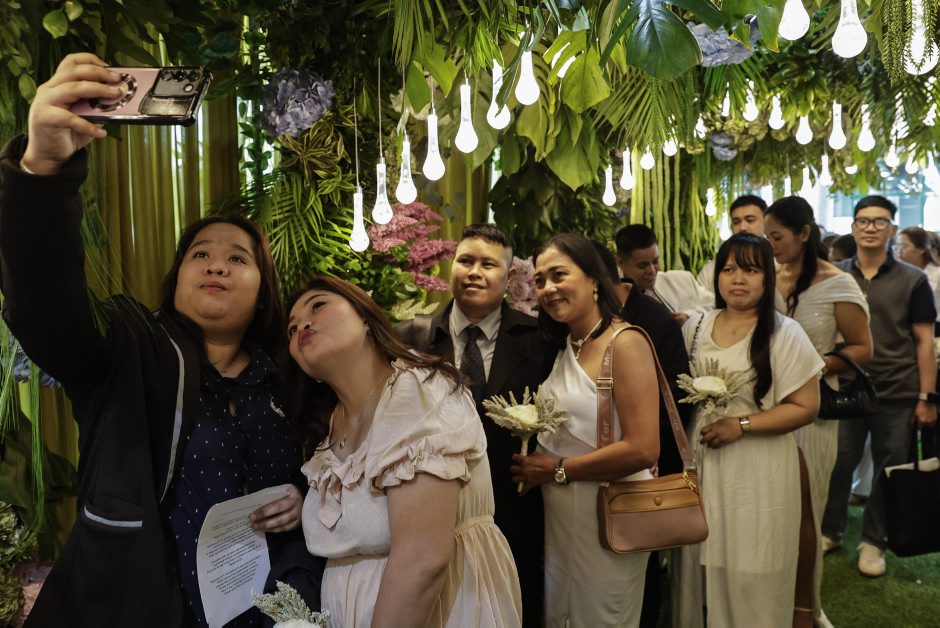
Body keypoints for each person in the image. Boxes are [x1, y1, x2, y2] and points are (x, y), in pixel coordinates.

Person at [0, 53, 321, 626]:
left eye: (237, 258)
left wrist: (305, 501)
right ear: (176, 283)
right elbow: (47, 306)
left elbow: (334, 477)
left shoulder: (288, 380)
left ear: (263, 292)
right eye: (200, 254)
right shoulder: (127, 348)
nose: (216, 265)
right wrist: (44, 171)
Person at [287, 276, 522, 627]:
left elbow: (423, 560)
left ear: (365, 318)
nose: (302, 325)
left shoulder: (418, 391)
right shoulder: (326, 428)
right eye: (291, 329)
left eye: (318, 306)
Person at [396, 224, 557, 627]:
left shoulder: (539, 340)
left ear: (509, 276)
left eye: (488, 264)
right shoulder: (411, 339)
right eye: (465, 261)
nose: (474, 272)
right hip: (433, 512)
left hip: (515, 511)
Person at [672, 233, 823, 628]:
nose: (738, 279)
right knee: (700, 561)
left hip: (759, 467)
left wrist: (742, 424)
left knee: (754, 565)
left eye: (751, 270)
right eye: (729, 269)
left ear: (767, 278)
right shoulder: (696, 326)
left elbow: (806, 406)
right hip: (702, 462)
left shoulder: (784, 332)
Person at [512, 233, 660, 627]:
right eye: (540, 280)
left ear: (594, 278)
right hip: (562, 518)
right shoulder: (566, 345)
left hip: (611, 515)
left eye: (559, 275)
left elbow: (644, 448)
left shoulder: (624, 343)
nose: (548, 288)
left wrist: (557, 469)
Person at [764, 197, 873, 627]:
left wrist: (810, 365)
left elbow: (862, 348)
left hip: (812, 412)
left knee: (805, 510)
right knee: (768, 511)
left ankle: (806, 605)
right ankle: (766, 602)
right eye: (767, 238)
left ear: (804, 233)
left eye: (777, 236)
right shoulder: (767, 275)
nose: (772, 245)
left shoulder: (837, 284)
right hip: (764, 406)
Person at [822, 196, 938, 578]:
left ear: (892, 228)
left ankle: (874, 541)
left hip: (898, 389)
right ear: (853, 227)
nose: (870, 227)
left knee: (890, 469)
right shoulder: (833, 274)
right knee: (838, 463)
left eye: (880, 221)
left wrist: (926, 397)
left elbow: (924, 341)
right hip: (844, 388)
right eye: (864, 220)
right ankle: (831, 530)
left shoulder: (914, 280)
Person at [592, 240, 692, 628]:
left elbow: (678, 397)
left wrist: (642, 445)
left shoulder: (651, 320)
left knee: (641, 557)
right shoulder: (580, 325)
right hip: (595, 473)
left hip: (645, 465)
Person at [615, 224, 714, 326]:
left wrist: (689, 316)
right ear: (620, 262)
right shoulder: (612, 299)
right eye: (643, 266)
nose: (652, 270)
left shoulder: (682, 279)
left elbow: (715, 303)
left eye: (655, 261)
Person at [696, 194, 768, 286]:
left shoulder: (778, 265)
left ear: (766, 223)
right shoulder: (711, 270)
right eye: (736, 222)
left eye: (750, 220)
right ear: (731, 227)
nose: (742, 228)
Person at [897, 226, 940, 331]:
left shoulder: (937, 274)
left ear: (921, 249)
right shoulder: (897, 274)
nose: (899, 251)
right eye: (897, 247)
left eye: (903, 247)